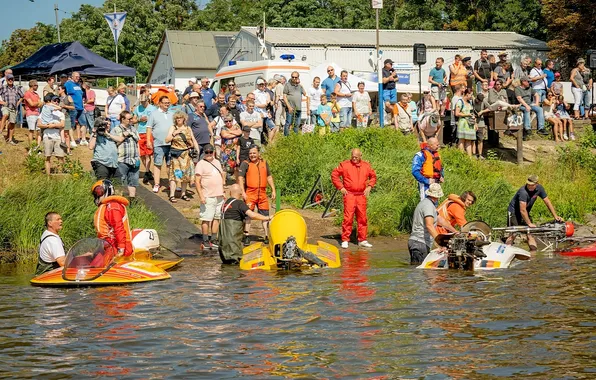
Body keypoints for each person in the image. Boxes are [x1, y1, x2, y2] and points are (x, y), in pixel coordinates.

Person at [331, 148, 377, 249]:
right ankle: (345, 239)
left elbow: (373, 177)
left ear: (361, 156)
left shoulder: (366, 165)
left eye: (356, 157)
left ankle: (362, 240)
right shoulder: (345, 164)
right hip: (349, 194)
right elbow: (334, 175)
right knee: (348, 218)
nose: (354, 158)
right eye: (352, 156)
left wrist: (369, 186)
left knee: (362, 218)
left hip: (361, 195)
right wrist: (341, 187)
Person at [506, 175, 563, 253]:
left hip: (526, 212)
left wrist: (555, 216)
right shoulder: (523, 192)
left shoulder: (539, 188)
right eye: (528, 184)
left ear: (536, 184)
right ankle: (506, 251)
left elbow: (547, 202)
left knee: (530, 234)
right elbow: (522, 210)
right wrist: (529, 223)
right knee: (513, 234)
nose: (529, 186)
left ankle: (533, 255)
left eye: (532, 185)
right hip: (514, 212)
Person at [218, 184, 272, 264]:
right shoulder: (239, 203)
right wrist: (267, 218)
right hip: (233, 246)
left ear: (230, 192)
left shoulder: (225, 204)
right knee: (235, 268)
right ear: (240, 193)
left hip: (223, 248)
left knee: (226, 266)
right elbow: (252, 215)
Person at [408, 183, 457, 265]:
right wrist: (440, 244)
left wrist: (454, 231)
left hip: (417, 242)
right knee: (419, 272)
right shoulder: (428, 206)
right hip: (420, 243)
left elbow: (440, 220)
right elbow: (429, 225)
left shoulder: (428, 204)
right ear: (437, 196)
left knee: (418, 270)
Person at [238, 145, 276, 246]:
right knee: (248, 215)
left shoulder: (264, 163)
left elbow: (269, 177)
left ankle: (266, 236)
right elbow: (240, 178)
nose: (252, 155)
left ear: (259, 153)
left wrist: (273, 190)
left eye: (254, 153)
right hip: (250, 192)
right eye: (250, 153)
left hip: (262, 193)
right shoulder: (245, 164)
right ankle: (246, 235)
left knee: (265, 215)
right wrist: (243, 192)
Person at [92, 179, 134, 258]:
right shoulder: (107, 206)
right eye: (96, 192)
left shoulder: (113, 206)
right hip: (108, 245)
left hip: (116, 246)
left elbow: (118, 227)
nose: (97, 195)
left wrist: (121, 248)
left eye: (99, 191)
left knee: (95, 266)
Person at [195, 144, 226, 250]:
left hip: (219, 195)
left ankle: (213, 238)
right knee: (206, 218)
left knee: (217, 217)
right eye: (206, 152)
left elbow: (221, 176)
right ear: (204, 153)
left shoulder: (217, 162)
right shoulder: (201, 164)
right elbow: (197, 181)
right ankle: (205, 240)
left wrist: (223, 191)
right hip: (208, 195)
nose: (209, 154)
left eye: (210, 152)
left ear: (213, 152)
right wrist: (201, 196)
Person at [165, 111, 200, 203]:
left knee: (185, 175)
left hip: (186, 155)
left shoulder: (188, 128)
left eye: (180, 117)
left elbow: (193, 139)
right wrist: (174, 133)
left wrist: (197, 150)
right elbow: (167, 140)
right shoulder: (173, 128)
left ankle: (183, 194)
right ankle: (172, 195)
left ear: (184, 118)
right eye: (177, 118)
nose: (178, 119)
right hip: (176, 155)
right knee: (174, 175)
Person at [147, 96, 174, 193]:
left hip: (171, 143)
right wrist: (148, 141)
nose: (167, 104)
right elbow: (149, 128)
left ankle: (172, 184)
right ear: (160, 103)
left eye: (168, 102)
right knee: (157, 164)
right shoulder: (154, 114)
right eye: (165, 102)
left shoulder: (172, 114)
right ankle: (157, 183)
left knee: (170, 164)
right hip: (158, 143)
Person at [113, 111, 140, 199]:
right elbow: (113, 144)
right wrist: (123, 136)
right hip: (122, 160)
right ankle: (117, 200)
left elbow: (137, 143)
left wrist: (138, 157)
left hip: (134, 160)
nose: (131, 120)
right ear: (122, 119)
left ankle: (132, 199)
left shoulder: (133, 129)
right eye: (129, 119)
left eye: (131, 118)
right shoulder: (116, 129)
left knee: (133, 181)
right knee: (119, 181)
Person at [38, 95, 66, 175]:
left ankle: (60, 175)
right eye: (55, 101)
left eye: (58, 101)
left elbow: (62, 125)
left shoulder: (61, 114)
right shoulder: (44, 112)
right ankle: (48, 176)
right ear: (50, 102)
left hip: (58, 136)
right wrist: (48, 126)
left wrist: (53, 125)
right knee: (47, 157)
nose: (56, 102)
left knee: (60, 157)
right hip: (47, 135)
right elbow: (39, 124)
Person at [133, 94, 157, 184]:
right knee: (142, 154)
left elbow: (156, 120)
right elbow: (133, 120)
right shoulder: (137, 109)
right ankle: (148, 171)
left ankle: (147, 172)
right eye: (141, 102)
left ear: (148, 100)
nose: (143, 103)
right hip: (140, 132)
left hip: (149, 132)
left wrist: (149, 119)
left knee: (148, 153)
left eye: (144, 101)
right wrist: (140, 119)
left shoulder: (153, 108)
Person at [0, 73, 24, 145]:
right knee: (5, 115)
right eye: (9, 79)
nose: (10, 80)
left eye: (12, 79)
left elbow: (22, 96)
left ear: (14, 80)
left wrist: (18, 102)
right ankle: (1, 130)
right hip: (5, 106)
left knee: (12, 123)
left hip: (13, 107)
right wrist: (2, 102)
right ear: (7, 80)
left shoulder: (16, 88)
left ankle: (10, 139)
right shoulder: (3, 88)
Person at [283, 71, 307, 135]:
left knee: (297, 124)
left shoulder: (299, 86)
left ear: (298, 78)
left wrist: (301, 85)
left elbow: (305, 94)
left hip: (298, 108)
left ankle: (295, 137)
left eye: (295, 77)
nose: (294, 78)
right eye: (292, 77)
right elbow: (284, 97)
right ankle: (286, 138)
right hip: (290, 108)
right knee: (288, 123)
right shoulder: (287, 85)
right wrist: (289, 107)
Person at [455, 88, 476, 157]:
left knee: (469, 140)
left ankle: (469, 157)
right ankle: (461, 156)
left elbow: (472, 112)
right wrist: (467, 115)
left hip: (470, 123)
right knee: (462, 140)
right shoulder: (460, 102)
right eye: (471, 95)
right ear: (467, 94)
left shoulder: (470, 103)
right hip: (463, 123)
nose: (472, 97)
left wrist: (475, 123)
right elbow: (457, 113)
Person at [23, 79, 42, 149]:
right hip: (30, 114)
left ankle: (37, 147)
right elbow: (31, 104)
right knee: (31, 130)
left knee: (38, 130)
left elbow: (40, 104)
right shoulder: (27, 93)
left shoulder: (36, 94)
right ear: (33, 85)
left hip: (37, 113)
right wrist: (37, 103)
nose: (37, 87)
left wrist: (36, 103)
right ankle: (31, 148)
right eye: (37, 85)